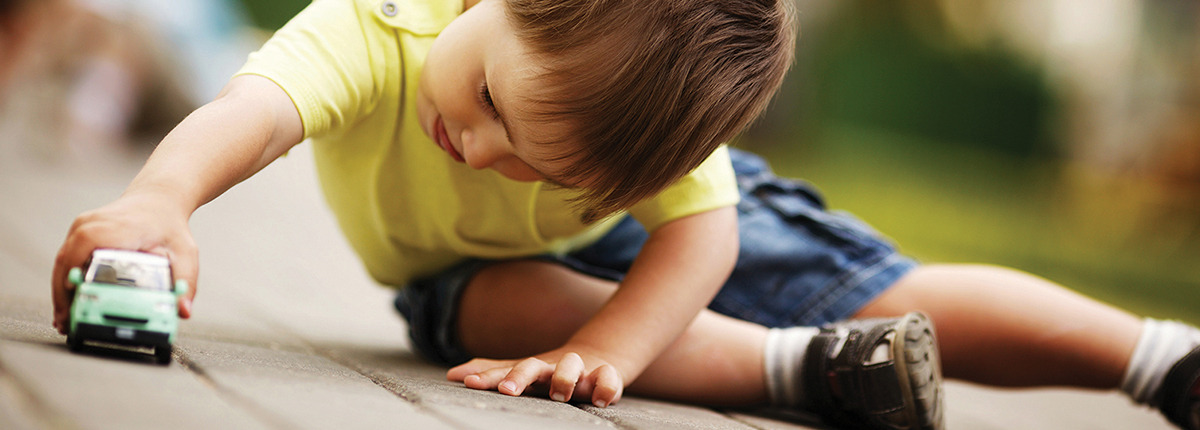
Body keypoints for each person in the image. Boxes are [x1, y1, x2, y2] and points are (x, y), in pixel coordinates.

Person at [48, 0, 1200, 429]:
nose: (484, 151)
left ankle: (1156, 358)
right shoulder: (377, 27)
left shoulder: (633, 121)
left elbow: (704, 232)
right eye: (493, 101)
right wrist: (160, 199)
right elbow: (251, 114)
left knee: (892, 283)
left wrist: (615, 344)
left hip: (666, 241)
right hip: (485, 271)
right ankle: (810, 369)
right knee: (489, 305)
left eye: (539, 158)